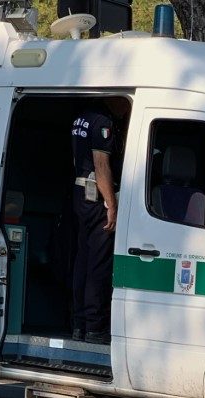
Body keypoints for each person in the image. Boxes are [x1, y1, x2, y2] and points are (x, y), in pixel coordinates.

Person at [70, 98, 125, 344]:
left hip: (80, 193)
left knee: (83, 260)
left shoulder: (81, 117)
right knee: (98, 264)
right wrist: (111, 204)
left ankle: (79, 324)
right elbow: (101, 165)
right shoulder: (103, 122)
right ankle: (95, 327)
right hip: (96, 196)